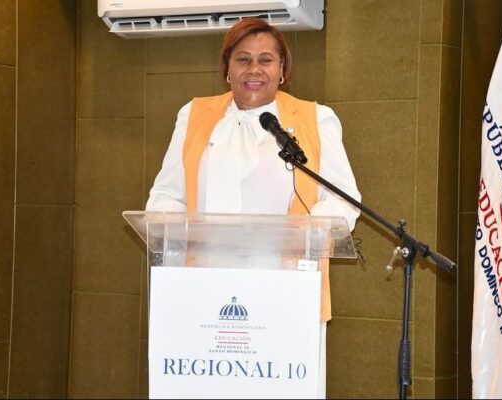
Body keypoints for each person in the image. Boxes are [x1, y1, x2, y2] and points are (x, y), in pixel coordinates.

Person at [145, 17, 361, 398]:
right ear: (227, 69)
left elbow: (343, 199)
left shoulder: (315, 119)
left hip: (286, 294)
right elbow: (166, 195)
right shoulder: (193, 115)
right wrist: (172, 225)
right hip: (204, 294)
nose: (254, 69)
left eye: (266, 60)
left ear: (282, 70)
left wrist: (305, 232)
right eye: (243, 59)